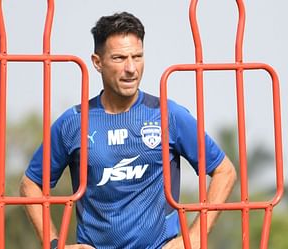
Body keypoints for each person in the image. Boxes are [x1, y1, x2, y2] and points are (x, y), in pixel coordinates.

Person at [20, 11, 237, 249]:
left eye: (137, 56)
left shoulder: (167, 115)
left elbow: (224, 171)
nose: (131, 68)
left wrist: (195, 237)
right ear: (97, 62)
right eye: (119, 58)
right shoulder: (74, 122)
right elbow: (31, 183)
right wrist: (54, 245)